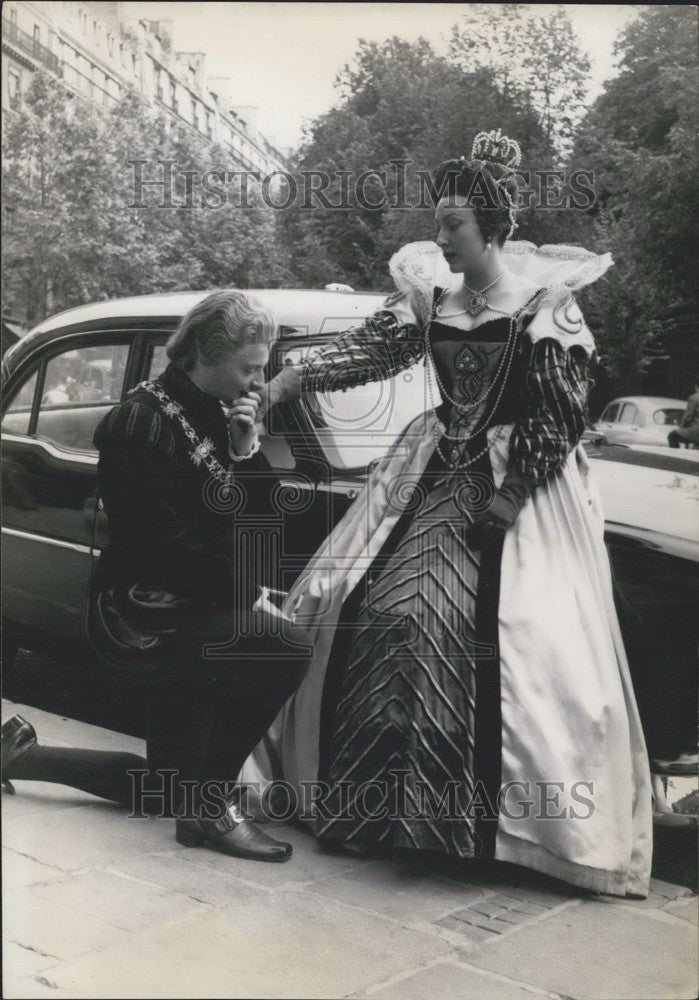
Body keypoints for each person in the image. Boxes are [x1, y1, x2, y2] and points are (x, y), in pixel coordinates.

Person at [249, 129, 652, 897]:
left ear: (492, 229)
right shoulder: (430, 297)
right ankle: (375, 806)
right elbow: (367, 352)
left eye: (453, 227)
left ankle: (471, 826)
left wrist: (506, 499)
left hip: (516, 484)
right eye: (437, 224)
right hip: (432, 469)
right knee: (374, 606)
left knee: (504, 633)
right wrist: (290, 377)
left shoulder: (545, 308)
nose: (439, 239)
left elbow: (560, 415)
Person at [2, 290, 310, 863]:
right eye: (248, 368)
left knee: (167, 788)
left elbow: (261, 526)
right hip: (137, 609)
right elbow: (162, 547)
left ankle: (17, 755)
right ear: (204, 355)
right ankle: (211, 805)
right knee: (285, 647)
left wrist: (245, 450)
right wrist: (251, 598)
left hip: (191, 600)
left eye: (262, 369)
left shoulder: (217, 411)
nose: (256, 382)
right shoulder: (137, 422)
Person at [668, 379, 699, 448]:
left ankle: (675, 456)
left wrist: (682, 426)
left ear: (696, 386)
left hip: (696, 431)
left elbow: (688, 417)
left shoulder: (694, 398)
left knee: (672, 436)